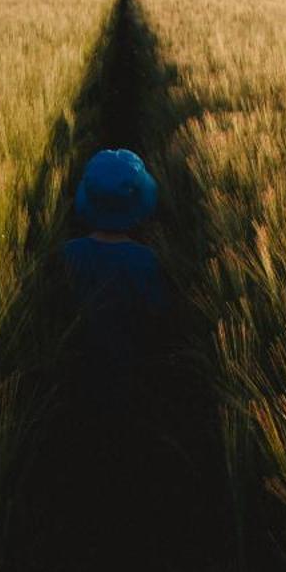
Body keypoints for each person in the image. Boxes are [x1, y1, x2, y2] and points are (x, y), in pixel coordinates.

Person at [61, 149, 167, 414]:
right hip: (132, 369)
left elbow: (57, 309)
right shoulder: (146, 261)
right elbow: (157, 314)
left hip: (77, 369)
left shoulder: (68, 253)